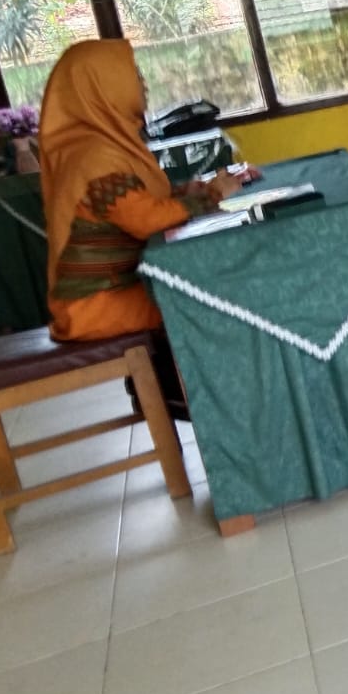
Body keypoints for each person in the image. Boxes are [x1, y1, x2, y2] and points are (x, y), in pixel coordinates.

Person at [40, 40, 240, 417]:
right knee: (205, 297)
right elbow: (146, 219)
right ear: (102, 86)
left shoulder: (101, 144)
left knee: (200, 287)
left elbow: (138, 201)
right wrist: (213, 194)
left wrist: (188, 192)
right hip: (95, 306)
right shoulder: (94, 157)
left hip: (112, 293)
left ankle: (183, 392)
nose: (143, 82)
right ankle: (194, 401)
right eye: (132, 74)